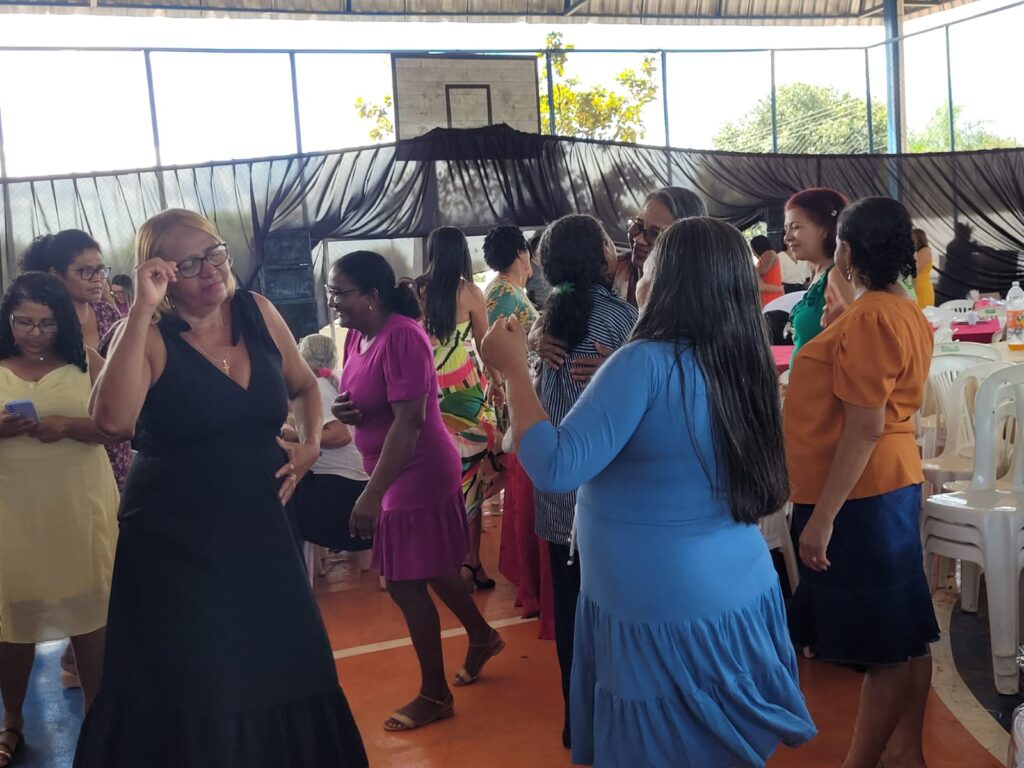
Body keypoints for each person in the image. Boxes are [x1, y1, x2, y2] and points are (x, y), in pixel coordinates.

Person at [480, 216, 817, 767]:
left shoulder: (644, 361)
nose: (636, 268)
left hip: (659, 604)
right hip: (736, 588)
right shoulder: (742, 357)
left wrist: (514, 369)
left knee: (664, 746)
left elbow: (557, 466)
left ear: (668, 279)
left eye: (651, 260)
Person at [74, 208, 367, 767]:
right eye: (187, 264)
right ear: (158, 274)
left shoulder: (257, 311)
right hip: (176, 543)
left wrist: (310, 444)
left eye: (214, 253)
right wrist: (140, 308)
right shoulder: (146, 336)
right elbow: (112, 421)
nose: (210, 270)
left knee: (288, 664)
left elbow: (304, 386)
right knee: (199, 680)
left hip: (263, 528)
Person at [786, 197, 938, 768]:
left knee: (883, 648)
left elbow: (865, 426)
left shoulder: (872, 316)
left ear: (846, 251)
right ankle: (906, 752)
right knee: (904, 633)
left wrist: (823, 518)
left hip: (861, 492)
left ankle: (863, 761)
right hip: (885, 482)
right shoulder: (899, 308)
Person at [329, 251, 504, 732]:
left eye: (340, 292)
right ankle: (482, 635)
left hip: (415, 469)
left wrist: (371, 495)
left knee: (403, 582)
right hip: (389, 469)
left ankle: (435, 694)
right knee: (431, 566)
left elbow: (409, 422)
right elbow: (368, 395)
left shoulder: (403, 336)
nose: (333, 301)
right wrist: (345, 410)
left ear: (371, 295)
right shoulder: (357, 336)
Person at [0, 273, 120, 767]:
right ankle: (12, 721)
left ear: (63, 322)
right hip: (13, 513)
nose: (34, 333)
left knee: (91, 617)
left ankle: (98, 719)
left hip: (79, 508)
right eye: (23, 322)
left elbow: (121, 425)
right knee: (13, 621)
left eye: (47, 323)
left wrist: (69, 426)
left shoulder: (87, 363)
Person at [529, 214, 639, 750]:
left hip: (557, 496)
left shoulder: (545, 322)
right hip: (608, 498)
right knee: (619, 617)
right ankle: (622, 725)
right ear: (605, 258)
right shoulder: (623, 322)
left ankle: (580, 724)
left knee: (572, 612)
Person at [416, 226, 503, 591]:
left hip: (428, 390)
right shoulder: (470, 292)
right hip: (466, 392)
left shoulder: (417, 290)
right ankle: (471, 562)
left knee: (433, 478)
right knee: (472, 479)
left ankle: (439, 561)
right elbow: (485, 345)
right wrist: (499, 383)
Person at [482, 226, 553, 638]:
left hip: (513, 390)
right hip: (523, 393)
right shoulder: (508, 295)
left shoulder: (498, 291)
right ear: (522, 253)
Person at [288, 334, 371, 569]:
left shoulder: (318, 388)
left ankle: (303, 571)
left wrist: (297, 436)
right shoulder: (335, 380)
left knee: (283, 503)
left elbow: (340, 435)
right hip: (356, 483)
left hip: (340, 491)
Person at [614, 186, 707, 305]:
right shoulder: (605, 272)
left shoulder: (695, 302)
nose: (639, 239)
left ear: (685, 245)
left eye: (654, 233)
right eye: (638, 225)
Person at [784, 188, 851, 352]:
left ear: (824, 230)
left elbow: (855, 340)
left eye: (795, 227)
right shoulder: (819, 273)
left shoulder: (837, 275)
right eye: (786, 229)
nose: (787, 237)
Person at [751, 234, 784, 307]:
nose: (753, 252)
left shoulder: (769, 253)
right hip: (769, 295)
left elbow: (763, 270)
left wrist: (749, 268)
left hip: (771, 297)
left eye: (752, 249)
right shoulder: (765, 256)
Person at [912, 228, 936, 308]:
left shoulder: (925, 250)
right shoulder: (916, 252)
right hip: (915, 288)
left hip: (922, 289)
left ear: (919, 239)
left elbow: (916, 270)